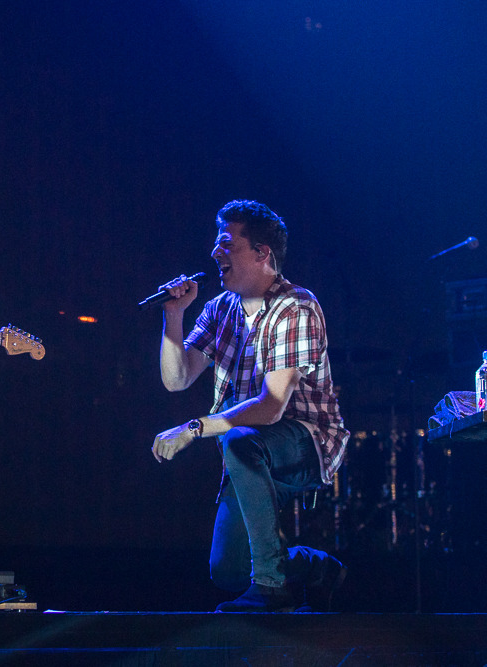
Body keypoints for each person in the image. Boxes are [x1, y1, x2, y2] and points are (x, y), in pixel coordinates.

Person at [151, 199, 349, 612]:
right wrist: (173, 315)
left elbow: (271, 408)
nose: (214, 252)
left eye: (227, 243)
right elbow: (176, 379)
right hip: (247, 450)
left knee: (240, 440)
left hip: (305, 443)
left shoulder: (295, 306)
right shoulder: (219, 309)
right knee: (228, 571)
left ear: (261, 253)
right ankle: (313, 566)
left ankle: (272, 588)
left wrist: (193, 429)